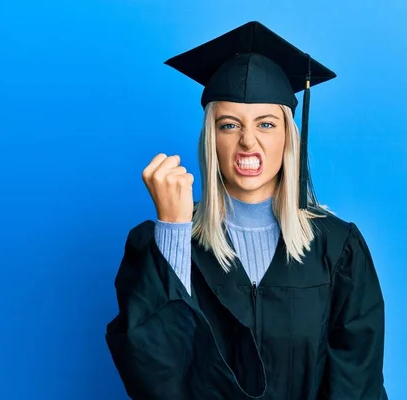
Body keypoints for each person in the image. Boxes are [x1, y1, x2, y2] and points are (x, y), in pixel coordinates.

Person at [105, 21, 389, 400]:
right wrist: (173, 231)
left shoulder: (338, 250)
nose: (248, 141)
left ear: (288, 136)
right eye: (229, 125)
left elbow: (358, 386)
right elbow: (153, 377)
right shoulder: (158, 242)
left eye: (266, 124)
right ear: (211, 137)